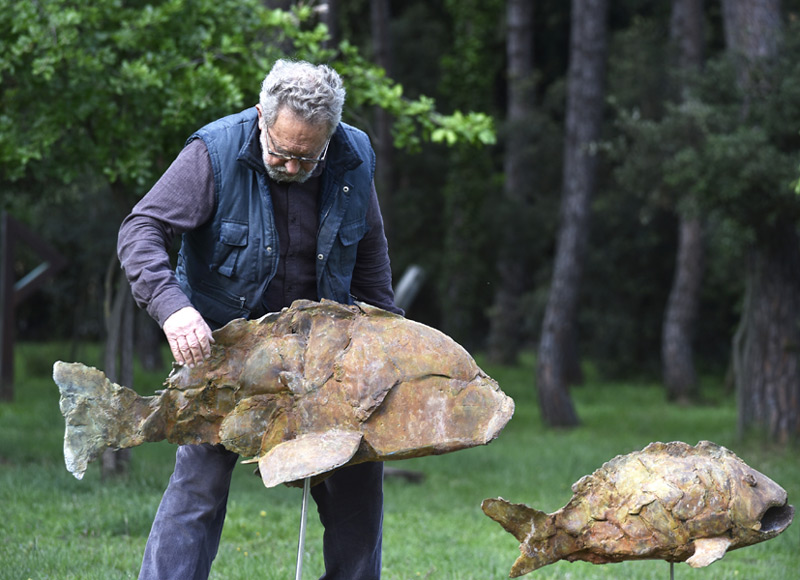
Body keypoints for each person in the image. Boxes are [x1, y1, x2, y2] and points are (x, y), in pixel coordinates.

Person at [118, 59, 401, 580]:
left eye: (306, 157)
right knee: (198, 486)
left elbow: (369, 254)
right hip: (225, 353)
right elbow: (142, 228)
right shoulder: (214, 151)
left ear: (330, 135)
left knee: (358, 485)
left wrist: (388, 341)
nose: (292, 167)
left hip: (325, 356)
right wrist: (174, 309)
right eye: (281, 152)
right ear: (260, 116)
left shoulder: (354, 153)